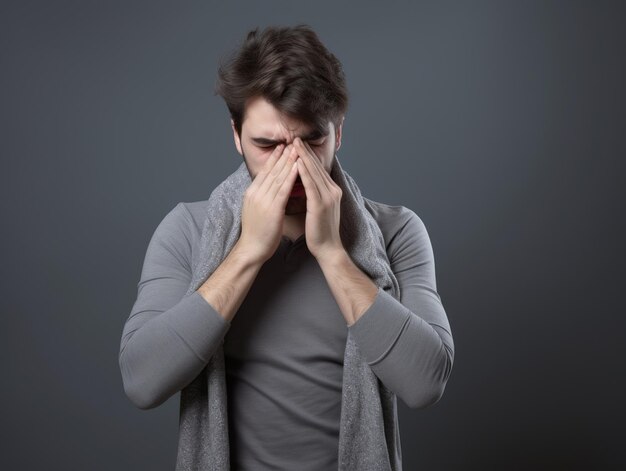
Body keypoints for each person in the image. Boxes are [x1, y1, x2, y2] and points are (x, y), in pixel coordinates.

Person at [119, 24, 454, 470]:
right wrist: (247, 253)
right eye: (267, 145)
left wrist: (333, 254)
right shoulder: (188, 230)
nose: (293, 166)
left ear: (339, 133)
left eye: (312, 140)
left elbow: (425, 383)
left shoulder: (396, 231)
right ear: (236, 135)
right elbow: (142, 382)